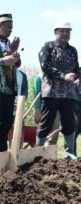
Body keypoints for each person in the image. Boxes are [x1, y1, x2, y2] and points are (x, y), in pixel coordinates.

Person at [36, 21, 79, 159]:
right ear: (56, 32)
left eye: (68, 31)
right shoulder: (48, 46)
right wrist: (62, 75)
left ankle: (70, 154)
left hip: (68, 93)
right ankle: (38, 152)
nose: (65, 34)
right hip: (51, 92)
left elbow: (77, 69)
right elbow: (45, 66)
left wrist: (74, 74)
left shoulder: (73, 50)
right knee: (46, 122)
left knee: (68, 123)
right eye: (62, 31)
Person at [0, 14, 20, 152]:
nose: (11, 30)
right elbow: (4, 61)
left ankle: (2, 151)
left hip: (8, 89)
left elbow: (16, 64)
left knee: (7, 121)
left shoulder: (7, 43)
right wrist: (2, 61)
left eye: (12, 28)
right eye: (8, 27)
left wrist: (14, 53)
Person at [34, 73, 60, 145]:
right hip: (43, 108)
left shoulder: (58, 76)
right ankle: (39, 151)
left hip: (56, 108)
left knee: (54, 133)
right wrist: (37, 109)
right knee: (42, 131)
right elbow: (36, 94)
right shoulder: (39, 77)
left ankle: (50, 153)